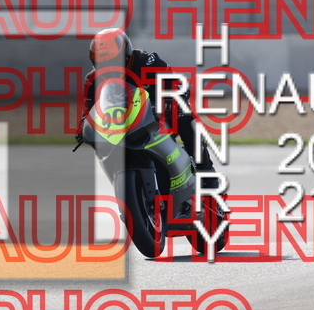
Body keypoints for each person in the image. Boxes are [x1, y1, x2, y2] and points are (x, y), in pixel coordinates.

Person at [75, 28, 219, 189]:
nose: (109, 66)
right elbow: (89, 110)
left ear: (126, 55)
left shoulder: (147, 62)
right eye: (102, 63)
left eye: (113, 61)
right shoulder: (92, 80)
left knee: (186, 119)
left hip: (158, 112)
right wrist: (83, 128)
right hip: (122, 123)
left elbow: (174, 82)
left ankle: (207, 174)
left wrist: (173, 100)